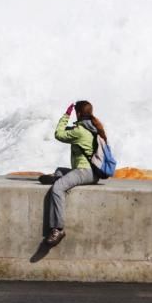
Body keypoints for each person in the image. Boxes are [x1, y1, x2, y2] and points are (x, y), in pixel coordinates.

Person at [39, 100, 107, 246]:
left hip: (84, 171)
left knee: (57, 189)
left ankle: (58, 229)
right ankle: (58, 177)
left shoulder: (80, 131)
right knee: (60, 170)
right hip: (90, 171)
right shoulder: (91, 128)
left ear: (79, 113)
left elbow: (59, 134)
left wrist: (66, 114)